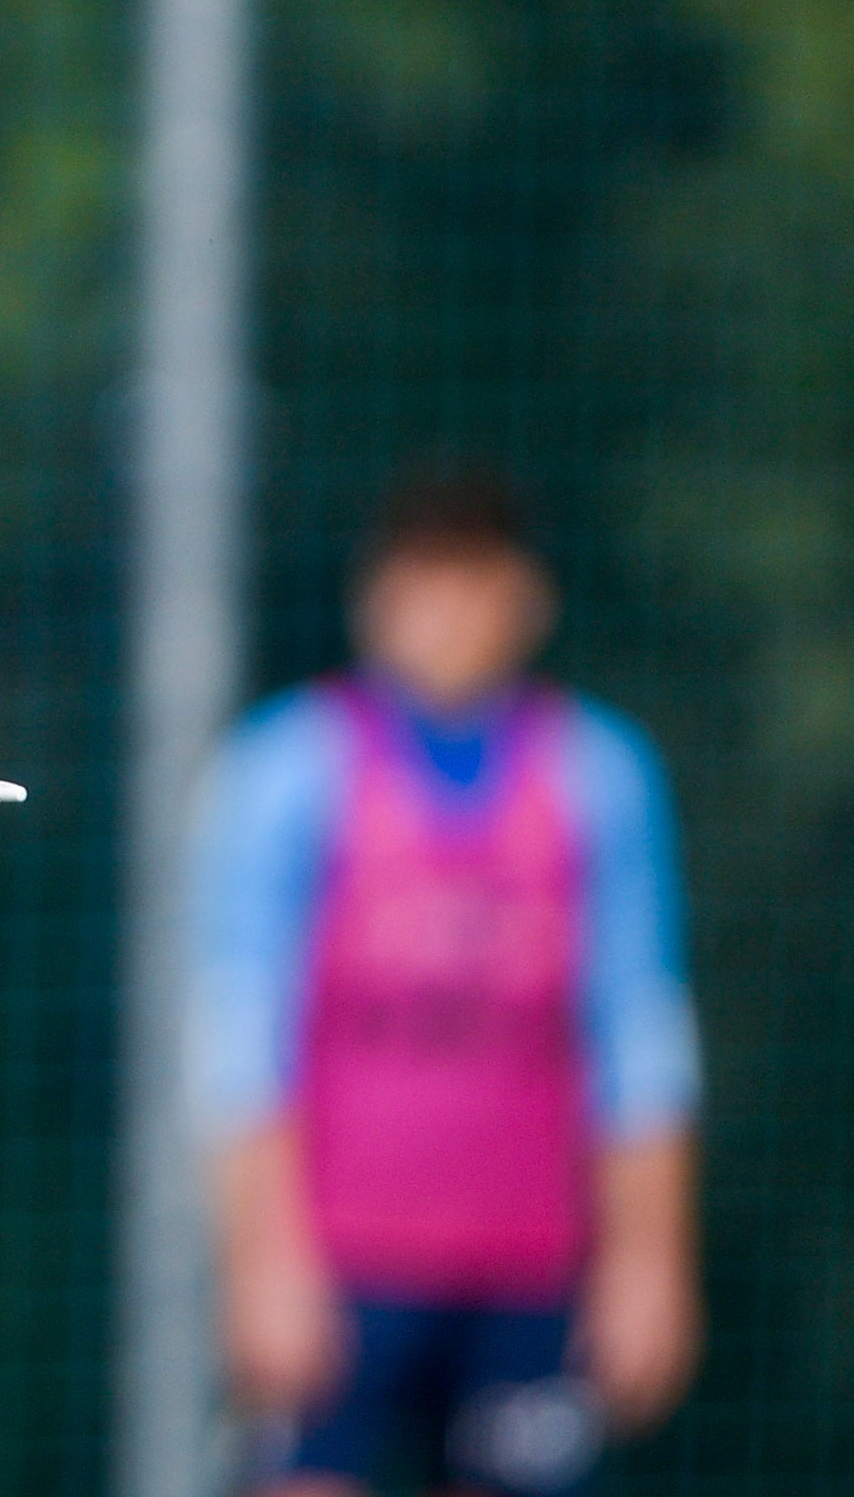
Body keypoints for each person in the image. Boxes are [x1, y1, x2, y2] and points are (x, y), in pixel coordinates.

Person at [188, 471, 701, 1496]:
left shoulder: (596, 778)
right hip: (339, 1262)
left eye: (472, 579)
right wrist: (260, 1259)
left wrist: (648, 1260)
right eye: (421, 579)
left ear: (526, 599)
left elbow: (638, 1038)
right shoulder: (287, 771)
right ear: (373, 598)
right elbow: (239, 1041)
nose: (445, 612)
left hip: (523, 1263)